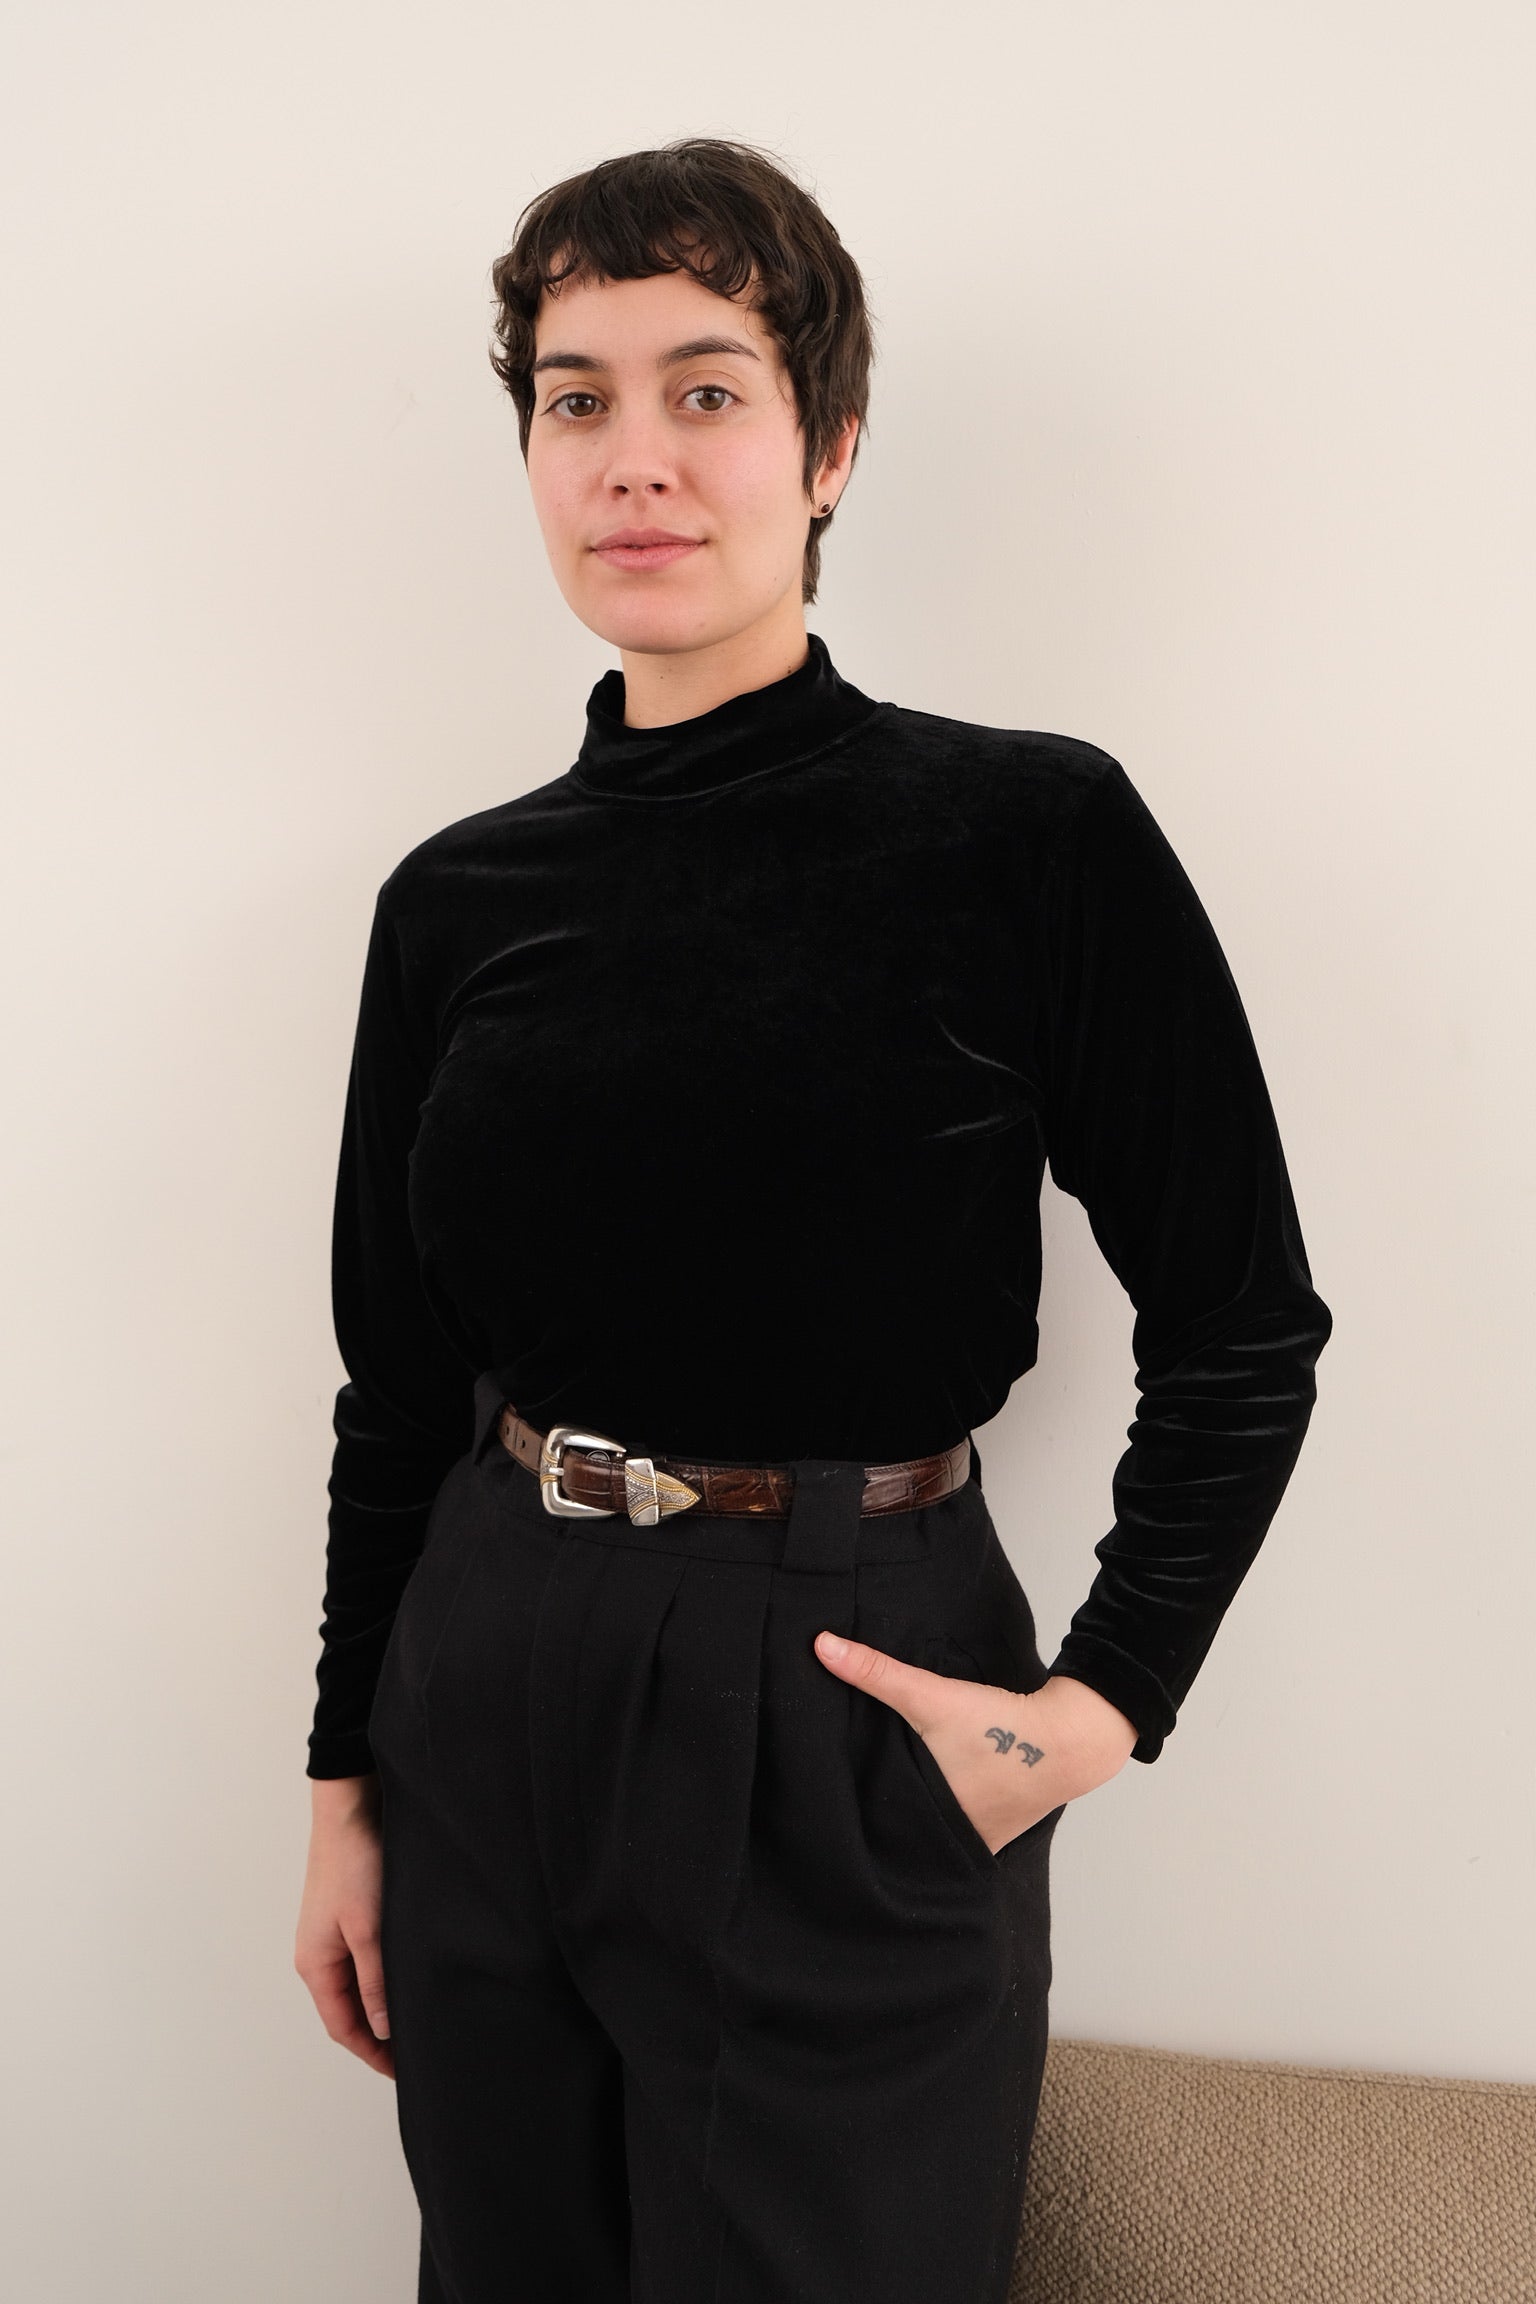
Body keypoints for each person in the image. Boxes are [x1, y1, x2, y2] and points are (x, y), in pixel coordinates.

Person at [293, 136, 1333, 2304]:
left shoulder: (1026, 831)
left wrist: (1102, 1701)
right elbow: (396, 1382)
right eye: (575, 399)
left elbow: (1242, 1317)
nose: (634, 458)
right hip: (486, 1680)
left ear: (830, 442)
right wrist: (345, 1792)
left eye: (708, 388)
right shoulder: (454, 899)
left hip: (850, 1682)